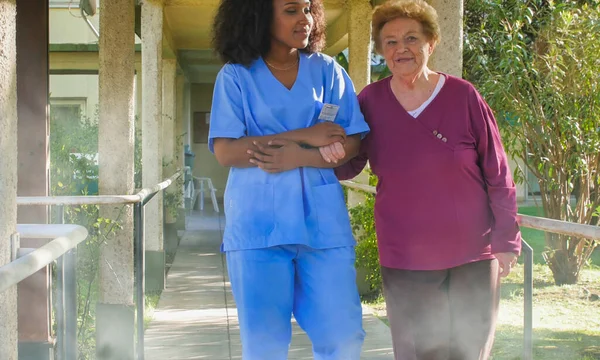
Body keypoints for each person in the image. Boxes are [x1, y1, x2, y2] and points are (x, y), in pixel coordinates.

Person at [334, 1, 522, 359]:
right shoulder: (369, 102)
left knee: (469, 350)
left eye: (410, 38)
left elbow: (498, 172)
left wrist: (506, 240)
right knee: (418, 352)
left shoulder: (464, 96)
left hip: (473, 256)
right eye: (389, 42)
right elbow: (350, 164)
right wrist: (317, 151)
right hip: (405, 257)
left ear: (431, 43)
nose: (400, 48)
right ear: (380, 51)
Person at [208, 0, 370, 359]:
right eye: (292, 10)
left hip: (322, 225)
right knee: (265, 347)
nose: (306, 19)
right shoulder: (236, 76)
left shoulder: (328, 72)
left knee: (344, 337)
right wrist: (307, 134)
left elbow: (352, 141)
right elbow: (227, 151)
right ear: (260, 15)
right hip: (258, 227)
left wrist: (300, 155)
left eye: (310, 9)